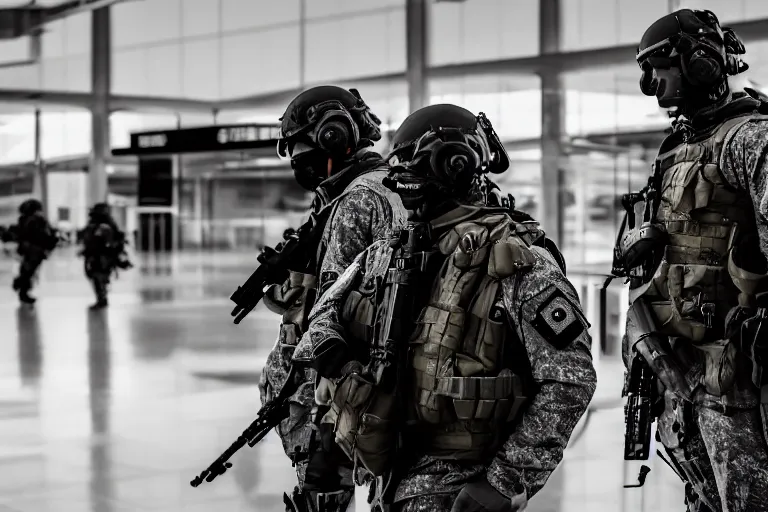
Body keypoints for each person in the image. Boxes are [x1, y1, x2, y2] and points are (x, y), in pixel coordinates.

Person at [293, 104, 596, 512]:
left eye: (408, 168)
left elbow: (569, 382)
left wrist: (503, 483)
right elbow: (324, 315)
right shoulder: (385, 253)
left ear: (452, 165)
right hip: (392, 478)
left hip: (460, 485)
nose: (398, 180)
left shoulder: (520, 264)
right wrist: (336, 358)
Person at [615, 9, 768, 511]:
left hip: (738, 381)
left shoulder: (751, 138)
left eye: (660, 68)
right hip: (685, 374)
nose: (650, 85)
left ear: (703, 63)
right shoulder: (675, 148)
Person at [257, 85, 408, 512]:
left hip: (338, 387)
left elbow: (332, 311)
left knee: (326, 496)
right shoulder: (376, 188)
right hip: (364, 383)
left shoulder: (359, 197)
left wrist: (318, 405)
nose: (297, 159)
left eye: (301, 145)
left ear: (333, 137)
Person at [78, 203, 132, 309]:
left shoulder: (103, 226)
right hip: (98, 256)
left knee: (98, 278)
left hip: (102, 257)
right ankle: (102, 298)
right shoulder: (100, 224)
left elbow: (102, 242)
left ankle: (102, 299)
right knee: (97, 277)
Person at [9, 199, 58, 305]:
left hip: (27, 250)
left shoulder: (23, 220)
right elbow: (44, 235)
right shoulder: (37, 220)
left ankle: (22, 290)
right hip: (35, 251)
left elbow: (20, 235)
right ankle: (21, 288)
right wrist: (50, 243)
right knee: (28, 272)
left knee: (26, 271)